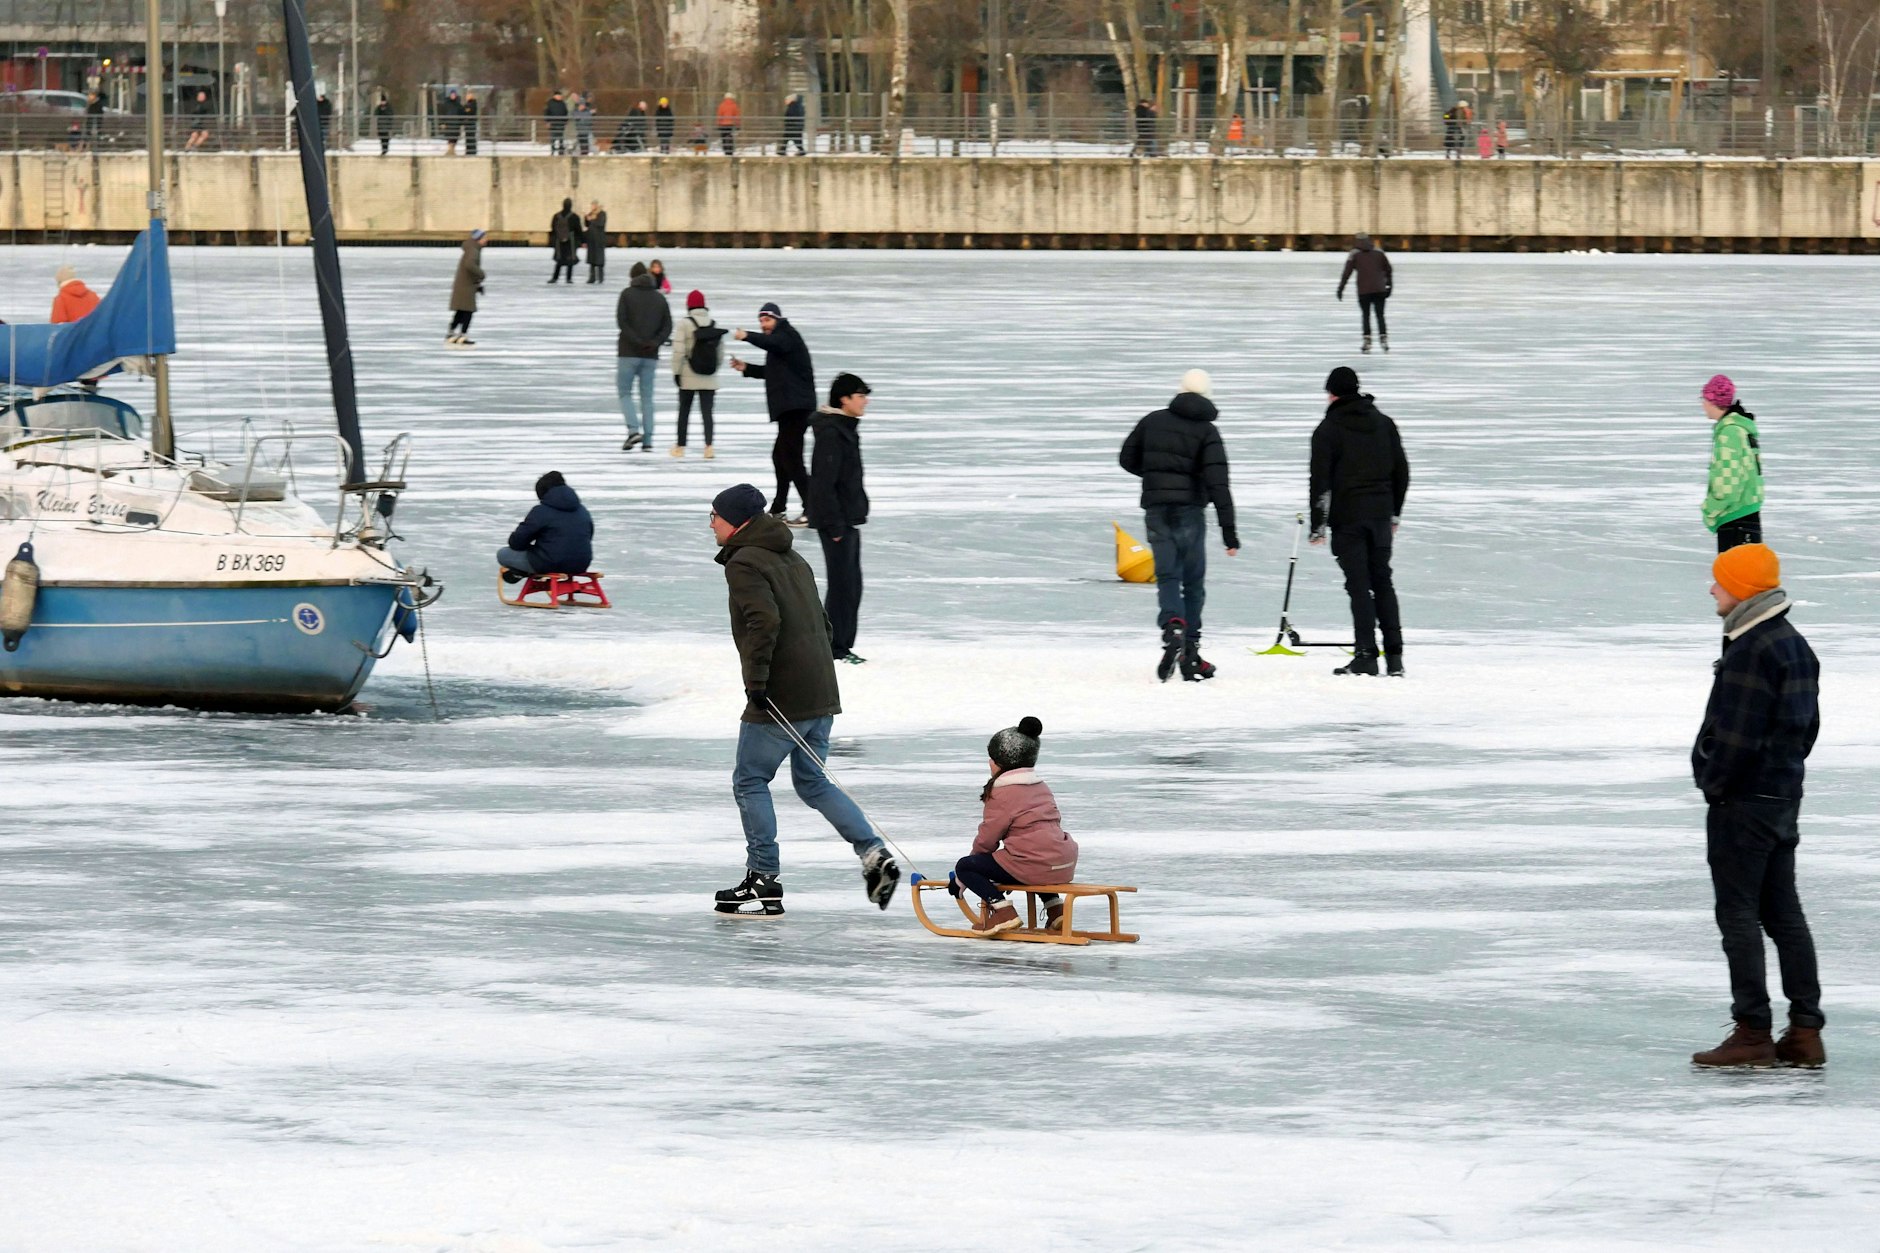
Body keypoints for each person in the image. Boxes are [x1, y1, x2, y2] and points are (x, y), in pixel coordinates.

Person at [707, 483, 901, 918]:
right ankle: (872, 853)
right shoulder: (791, 555)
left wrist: (758, 684)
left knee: (750, 780)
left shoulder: (744, 563)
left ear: (737, 521)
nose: (711, 523)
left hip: (782, 695)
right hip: (820, 691)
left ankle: (763, 879)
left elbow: (763, 622)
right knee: (813, 782)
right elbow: (822, 620)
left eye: (715, 515)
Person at [1690, 543, 1825, 1069]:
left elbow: (1737, 738)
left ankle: (1752, 1032)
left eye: (1719, 582)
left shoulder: (1753, 648)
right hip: (1782, 797)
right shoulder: (1792, 644)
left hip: (1744, 803)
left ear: (1742, 589)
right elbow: (1805, 730)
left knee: (1739, 913)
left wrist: (1714, 781)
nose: (1712, 589)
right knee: (1783, 913)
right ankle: (1806, 1032)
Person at [1118, 369, 1239, 683]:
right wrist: (1229, 532)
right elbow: (1218, 483)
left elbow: (1127, 458)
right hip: (1189, 512)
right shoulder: (1207, 431)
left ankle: (1172, 624)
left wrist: (1156, 478)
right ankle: (1190, 652)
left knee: (1168, 575)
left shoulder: (1153, 421)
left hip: (1157, 509)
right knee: (1193, 582)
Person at [1310, 366, 1409, 677]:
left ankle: (1366, 654)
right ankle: (1395, 657)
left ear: (1332, 394)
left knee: (1359, 587)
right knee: (1383, 582)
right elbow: (1402, 472)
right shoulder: (1384, 424)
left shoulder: (1328, 429)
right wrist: (1394, 513)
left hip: (1348, 518)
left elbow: (1320, 482)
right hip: (1380, 517)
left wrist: (1318, 526)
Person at [951, 717, 1078, 936]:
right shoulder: (1040, 786)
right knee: (1037, 854)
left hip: (1032, 864)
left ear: (1002, 763)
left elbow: (987, 839)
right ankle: (1057, 911)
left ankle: (1003, 912)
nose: (989, 763)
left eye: (992, 759)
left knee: (966, 865)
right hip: (1063, 861)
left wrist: (964, 876)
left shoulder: (1002, 792)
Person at [807, 373, 873, 665]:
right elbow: (823, 482)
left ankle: (841, 646)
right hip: (836, 521)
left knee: (851, 585)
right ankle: (833, 648)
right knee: (842, 585)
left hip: (848, 518)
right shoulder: (832, 432)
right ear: (844, 399)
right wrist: (834, 523)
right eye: (860, 396)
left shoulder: (844, 428)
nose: (865, 401)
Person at [731, 302, 816, 523]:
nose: (764, 325)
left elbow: (773, 343)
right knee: (780, 457)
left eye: (767, 320)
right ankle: (779, 508)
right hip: (789, 408)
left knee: (791, 458)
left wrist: (746, 336)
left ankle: (813, 507)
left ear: (777, 319)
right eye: (760, 321)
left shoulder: (787, 336)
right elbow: (773, 372)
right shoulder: (780, 343)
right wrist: (746, 368)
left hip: (797, 407)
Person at [1702, 374, 1763, 552]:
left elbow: (1727, 483)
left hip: (1736, 519)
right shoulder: (1739, 429)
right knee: (1738, 578)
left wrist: (1709, 510)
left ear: (1713, 401)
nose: (1702, 404)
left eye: (1704, 399)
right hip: (1745, 515)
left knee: (1733, 579)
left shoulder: (1730, 433)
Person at [616, 261, 673, 452]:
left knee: (625, 393)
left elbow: (622, 321)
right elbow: (667, 326)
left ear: (632, 277)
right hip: (651, 355)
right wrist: (654, 342)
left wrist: (637, 341)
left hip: (627, 353)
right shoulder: (659, 298)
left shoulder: (626, 294)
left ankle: (633, 431)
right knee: (647, 397)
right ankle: (648, 440)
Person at [497, 471, 594, 580]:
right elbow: (588, 536)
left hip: (549, 563)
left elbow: (517, 542)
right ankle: (525, 571)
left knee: (503, 554)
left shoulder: (542, 511)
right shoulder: (582, 510)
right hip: (581, 564)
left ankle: (524, 572)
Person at [672, 289, 725, 459]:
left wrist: (676, 372)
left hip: (688, 374)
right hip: (709, 376)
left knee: (684, 411)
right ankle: (709, 447)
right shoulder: (713, 324)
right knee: (707, 412)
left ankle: (680, 447)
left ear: (689, 305)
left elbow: (678, 351)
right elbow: (720, 353)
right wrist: (713, 367)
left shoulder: (684, 324)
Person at [1337, 232, 1394, 353]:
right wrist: (1389, 285)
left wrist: (1341, 289)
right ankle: (1383, 338)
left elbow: (1347, 273)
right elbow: (1388, 269)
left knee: (1366, 315)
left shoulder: (1354, 254)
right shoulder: (1379, 252)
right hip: (1379, 289)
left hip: (1363, 291)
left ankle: (1367, 340)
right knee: (1380, 315)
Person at [446, 229, 486, 346]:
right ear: (478, 239)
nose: (487, 240)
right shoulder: (473, 250)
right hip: (466, 286)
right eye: (484, 237)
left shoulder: (471, 248)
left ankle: (451, 333)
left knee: (461, 310)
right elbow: (470, 265)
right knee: (468, 310)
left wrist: (478, 285)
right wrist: (481, 274)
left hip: (464, 285)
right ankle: (462, 335)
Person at [548, 197, 582, 284]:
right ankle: (568, 278)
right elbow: (578, 230)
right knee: (569, 261)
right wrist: (580, 241)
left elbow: (552, 228)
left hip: (559, 241)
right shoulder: (574, 217)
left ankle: (555, 277)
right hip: (570, 241)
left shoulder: (556, 216)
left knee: (559, 260)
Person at [583, 201, 608, 283]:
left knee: (599, 260)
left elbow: (600, 224)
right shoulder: (591, 214)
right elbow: (587, 225)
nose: (592, 207)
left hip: (599, 240)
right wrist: (586, 218)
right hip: (591, 240)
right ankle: (592, 277)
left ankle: (601, 278)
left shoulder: (602, 214)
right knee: (592, 260)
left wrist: (592, 220)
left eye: (593, 205)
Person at [544, 89, 569, 155]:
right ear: (554, 96)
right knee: (553, 137)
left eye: (560, 96)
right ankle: (553, 150)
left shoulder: (563, 103)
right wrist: (547, 121)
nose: (560, 97)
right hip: (553, 123)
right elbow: (546, 112)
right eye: (558, 96)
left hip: (561, 123)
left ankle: (561, 151)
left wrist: (566, 121)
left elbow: (566, 112)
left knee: (561, 138)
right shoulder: (550, 103)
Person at [440, 89, 463, 154]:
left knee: (455, 138)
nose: (453, 96)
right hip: (449, 123)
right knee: (449, 137)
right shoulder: (446, 104)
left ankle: (452, 151)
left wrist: (461, 122)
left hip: (456, 124)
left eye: (454, 95)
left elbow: (461, 113)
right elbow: (443, 113)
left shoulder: (458, 104)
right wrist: (442, 122)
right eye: (452, 95)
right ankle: (450, 151)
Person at [373, 90, 393, 155]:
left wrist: (384, 111)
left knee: (386, 138)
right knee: (382, 138)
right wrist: (380, 110)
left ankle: (386, 149)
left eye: (383, 101)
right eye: (382, 101)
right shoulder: (379, 107)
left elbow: (390, 114)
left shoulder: (388, 107)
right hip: (380, 125)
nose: (383, 103)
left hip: (387, 125)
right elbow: (375, 114)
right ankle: (383, 149)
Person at [462, 91, 480, 155]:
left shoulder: (473, 103)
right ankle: (468, 151)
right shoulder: (468, 104)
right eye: (467, 95)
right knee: (468, 138)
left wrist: (466, 109)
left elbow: (469, 110)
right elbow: (464, 110)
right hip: (467, 123)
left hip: (471, 123)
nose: (467, 97)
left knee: (471, 137)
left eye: (469, 95)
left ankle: (472, 151)